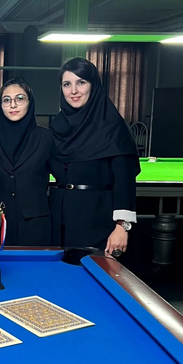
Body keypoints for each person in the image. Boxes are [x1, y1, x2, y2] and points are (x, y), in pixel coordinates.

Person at [49, 57, 139, 255]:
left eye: (81, 82)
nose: (73, 91)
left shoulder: (112, 126)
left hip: (98, 223)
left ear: (93, 85)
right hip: (59, 223)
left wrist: (121, 227)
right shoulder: (57, 126)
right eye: (67, 84)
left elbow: (124, 181)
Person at [0, 78, 52, 245]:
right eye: (6, 100)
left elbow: (62, 179)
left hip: (36, 228)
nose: (13, 105)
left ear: (30, 102)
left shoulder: (46, 138)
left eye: (20, 98)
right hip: (1, 226)